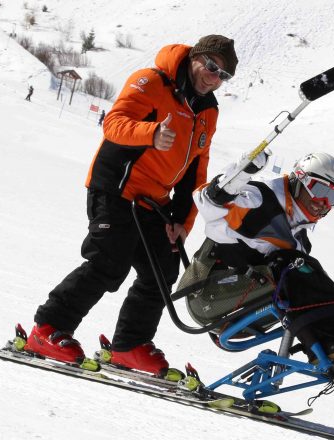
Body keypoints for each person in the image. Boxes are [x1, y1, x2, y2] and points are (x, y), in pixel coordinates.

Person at [24, 34, 238, 379]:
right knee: (110, 261)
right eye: (211, 67)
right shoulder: (151, 82)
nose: (214, 78)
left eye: (223, 76)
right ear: (195, 58)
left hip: (154, 201)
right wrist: (151, 133)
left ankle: (128, 346)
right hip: (116, 188)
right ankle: (47, 329)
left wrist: (182, 218)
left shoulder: (207, 109)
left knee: (163, 271)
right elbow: (113, 124)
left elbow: (197, 168)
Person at [191, 152, 334, 394]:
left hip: (247, 313)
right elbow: (206, 201)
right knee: (293, 265)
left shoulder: (299, 239)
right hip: (210, 297)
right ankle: (332, 339)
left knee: (301, 266)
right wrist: (241, 173)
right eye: (319, 189)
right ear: (299, 180)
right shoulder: (260, 200)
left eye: (333, 197)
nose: (324, 202)